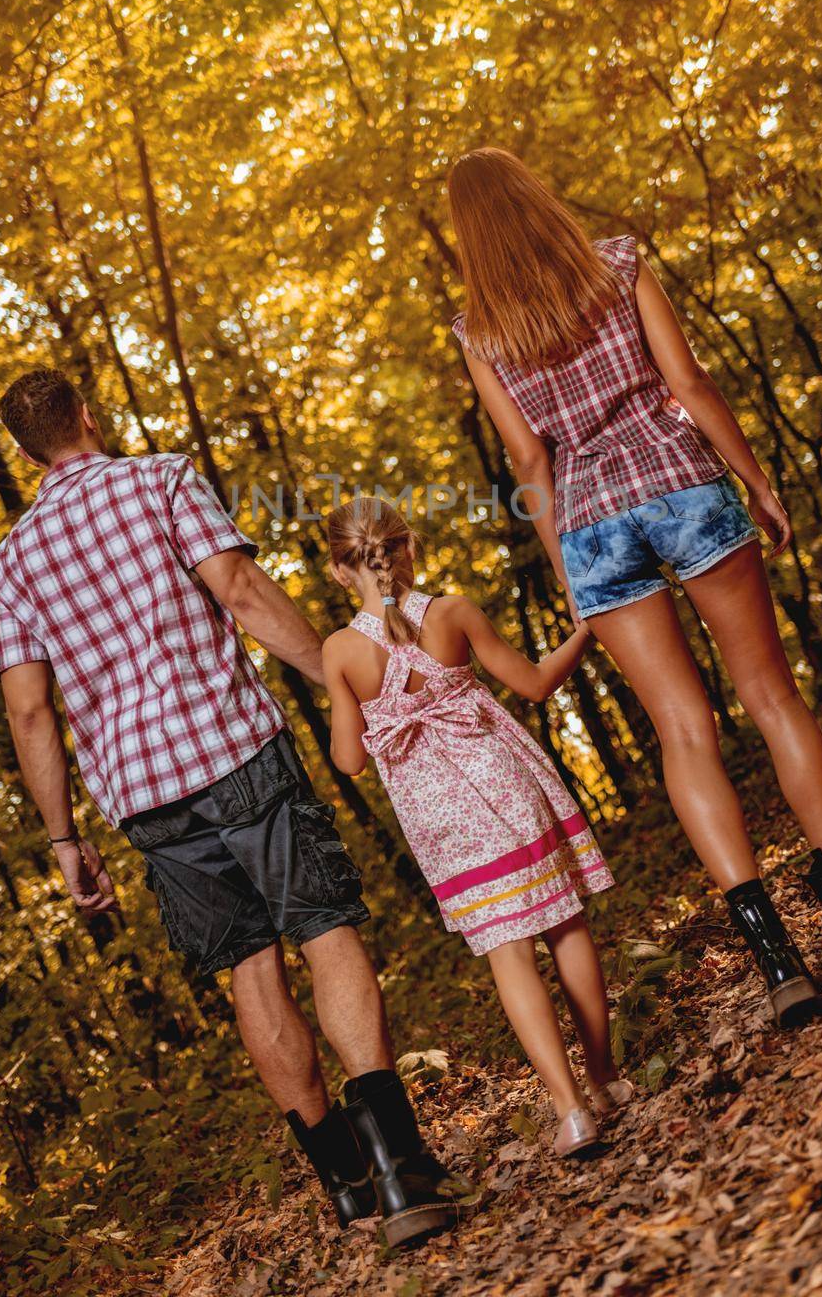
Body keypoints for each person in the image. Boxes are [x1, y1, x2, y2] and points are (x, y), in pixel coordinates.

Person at [0, 369, 459, 1247]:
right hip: (234, 749)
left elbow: (28, 709)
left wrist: (62, 838)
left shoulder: (11, 563)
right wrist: (353, 681)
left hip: (144, 799)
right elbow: (240, 592)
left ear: (23, 454)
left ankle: (348, 1188)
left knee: (251, 970)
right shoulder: (160, 479)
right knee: (324, 930)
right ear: (87, 416)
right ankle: (403, 1170)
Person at [447, 148, 822, 1030]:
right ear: (536, 195)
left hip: (591, 524)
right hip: (683, 485)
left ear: (469, 237)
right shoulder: (618, 264)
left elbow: (530, 458)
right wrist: (756, 481)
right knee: (770, 696)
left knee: (682, 731)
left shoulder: (481, 334)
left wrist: (568, 560)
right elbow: (686, 384)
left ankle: (775, 957)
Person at [323, 495, 617, 1158]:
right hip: (508, 788)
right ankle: (603, 1080)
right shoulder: (452, 614)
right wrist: (585, 630)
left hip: (442, 826)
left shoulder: (340, 652)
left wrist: (378, 718)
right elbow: (537, 685)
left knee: (509, 953)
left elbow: (347, 760)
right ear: (410, 547)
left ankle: (572, 1113)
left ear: (341, 572)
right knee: (564, 925)